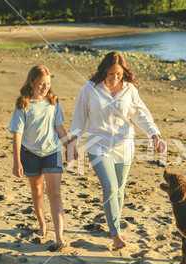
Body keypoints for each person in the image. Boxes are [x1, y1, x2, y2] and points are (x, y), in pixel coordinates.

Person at [70, 51, 166, 250]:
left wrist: (154, 134)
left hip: (124, 145)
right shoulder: (89, 89)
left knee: (120, 189)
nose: (114, 78)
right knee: (111, 187)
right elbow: (79, 118)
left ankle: (114, 224)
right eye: (111, 74)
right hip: (98, 145)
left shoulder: (129, 90)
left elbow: (141, 114)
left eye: (119, 74)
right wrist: (72, 143)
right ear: (104, 71)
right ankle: (115, 234)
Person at [9, 64, 74, 251]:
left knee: (54, 194)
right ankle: (42, 224)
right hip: (30, 154)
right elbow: (17, 134)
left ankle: (60, 236)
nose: (45, 88)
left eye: (47, 84)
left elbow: (59, 128)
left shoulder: (53, 102)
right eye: (41, 84)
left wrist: (69, 146)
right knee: (37, 192)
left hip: (52, 152)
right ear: (31, 83)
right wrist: (17, 162)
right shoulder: (23, 104)